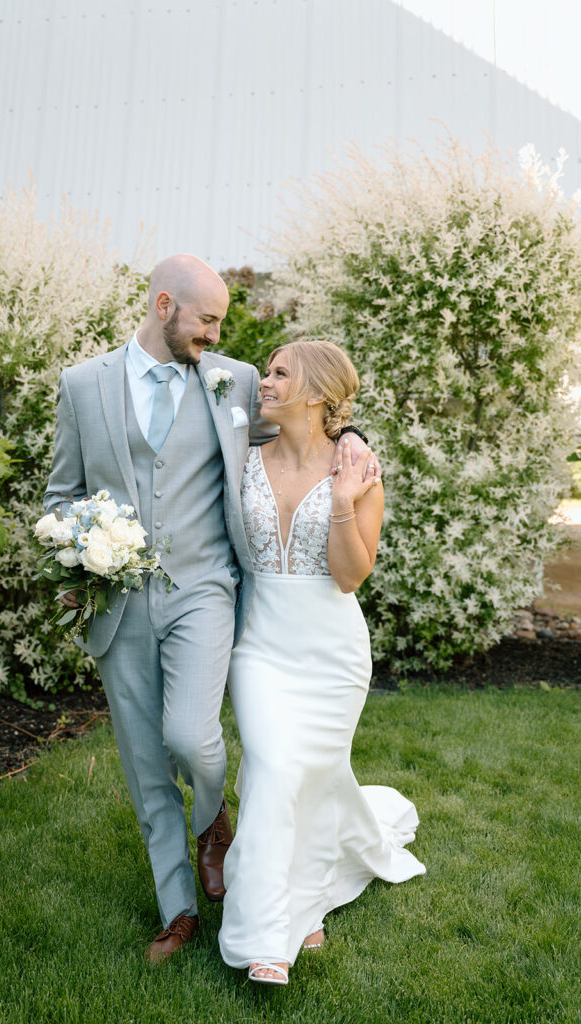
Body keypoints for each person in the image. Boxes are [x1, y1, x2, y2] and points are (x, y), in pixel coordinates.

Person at [43, 255, 373, 964]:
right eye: (207, 319)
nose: (216, 334)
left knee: (192, 739)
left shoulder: (234, 382)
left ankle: (213, 822)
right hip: (118, 601)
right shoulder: (82, 387)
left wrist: (351, 440)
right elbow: (60, 494)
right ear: (165, 305)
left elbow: (301, 434)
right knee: (142, 759)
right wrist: (75, 558)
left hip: (204, 591)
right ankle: (178, 909)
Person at [218, 340, 426, 986]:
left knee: (306, 776)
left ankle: (305, 905)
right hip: (259, 645)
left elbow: (349, 576)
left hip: (331, 652)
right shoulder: (241, 451)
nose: (265, 381)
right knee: (276, 768)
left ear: (316, 394)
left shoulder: (357, 467)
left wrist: (341, 501)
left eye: (280, 373)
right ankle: (264, 940)